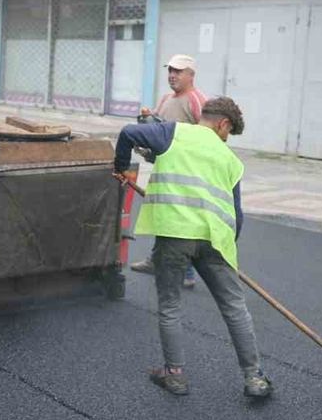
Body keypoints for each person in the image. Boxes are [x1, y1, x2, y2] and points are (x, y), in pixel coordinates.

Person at [114, 96, 273, 400]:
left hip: (175, 236)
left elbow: (127, 133)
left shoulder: (173, 133)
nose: (226, 139)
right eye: (229, 133)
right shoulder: (230, 161)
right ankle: (255, 378)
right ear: (223, 124)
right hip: (216, 240)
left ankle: (175, 376)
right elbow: (236, 214)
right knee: (235, 307)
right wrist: (227, 250)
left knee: (170, 305)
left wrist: (122, 167)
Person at [130, 54, 209, 287]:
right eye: (170, 71)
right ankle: (157, 260)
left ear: (191, 75)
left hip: (188, 175)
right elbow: (157, 130)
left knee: (182, 222)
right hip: (165, 169)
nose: (172, 75)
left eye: (179, 71)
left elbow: (209, 137)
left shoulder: (197, 100)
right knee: (164, 217)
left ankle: (187, 272)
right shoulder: (166, 99)